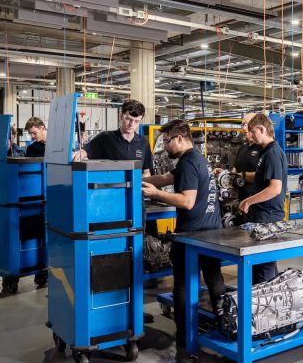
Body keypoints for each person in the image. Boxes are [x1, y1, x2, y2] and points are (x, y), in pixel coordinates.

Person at [142, 120, 225, 362]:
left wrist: (155, 195)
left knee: (183, 285)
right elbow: (166, 177)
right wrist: (137, 181)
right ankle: (225, 323)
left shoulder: (189, 162)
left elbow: (187, 201)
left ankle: (184, 337)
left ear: (179, 138)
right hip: (211, 232)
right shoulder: (196, 158)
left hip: (192, 235)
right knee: (213, 278)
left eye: (166, 141)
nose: (165, 146)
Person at [72, 99, 157, 236]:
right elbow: (86, 151)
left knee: (137, 235)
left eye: (136, 121)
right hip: (109, 200)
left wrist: (141, 186)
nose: (131, 124)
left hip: (135, 201)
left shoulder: (143, 143)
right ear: (121, 115)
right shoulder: (105, 138)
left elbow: (146, 172)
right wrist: (79, 153)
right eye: (128, 119)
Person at [238, 113, 287, 284]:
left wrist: (248, 201)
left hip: (268, 217)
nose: (249, 135)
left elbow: (275, 189)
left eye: (252, 131)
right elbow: (260, 179)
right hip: (262, 215)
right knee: (262, 266)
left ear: (261, 129)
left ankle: (264, 307)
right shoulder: (265, 152)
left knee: (263, 268)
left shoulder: (272, 153)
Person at [213, 113, 261, 222]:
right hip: (242, 202)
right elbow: (235, 169)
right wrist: (224, 174)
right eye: (242, 125)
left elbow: (262, 176)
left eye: (246, 124)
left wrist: (242, 176)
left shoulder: (262, 149)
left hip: (257, 204)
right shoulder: (243, 148)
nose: (243, 128)